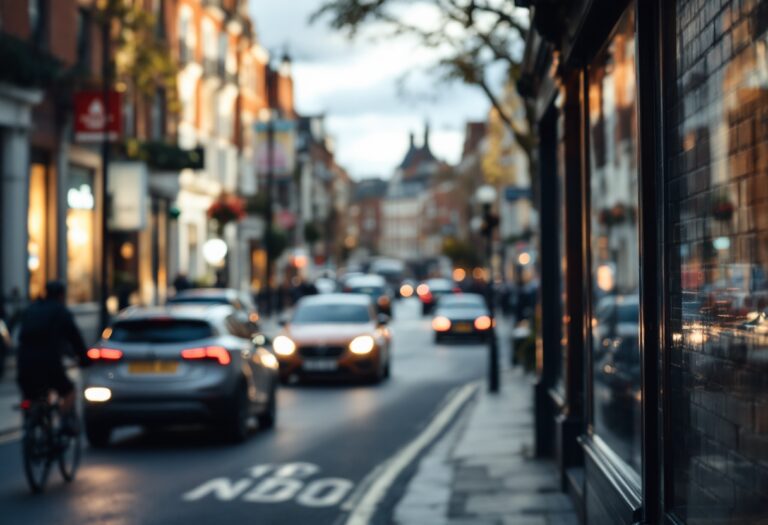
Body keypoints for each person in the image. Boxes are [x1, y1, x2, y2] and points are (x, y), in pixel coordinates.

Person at [16, 280, 90, 434]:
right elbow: (75, 338)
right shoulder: (60, 311)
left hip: (24, 362)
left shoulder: (31, 309)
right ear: (62, 295)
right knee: (69, 391)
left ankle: (32, 426)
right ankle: (63, 422)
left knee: (31, 396)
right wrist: (84, 359)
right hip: (48, 363)